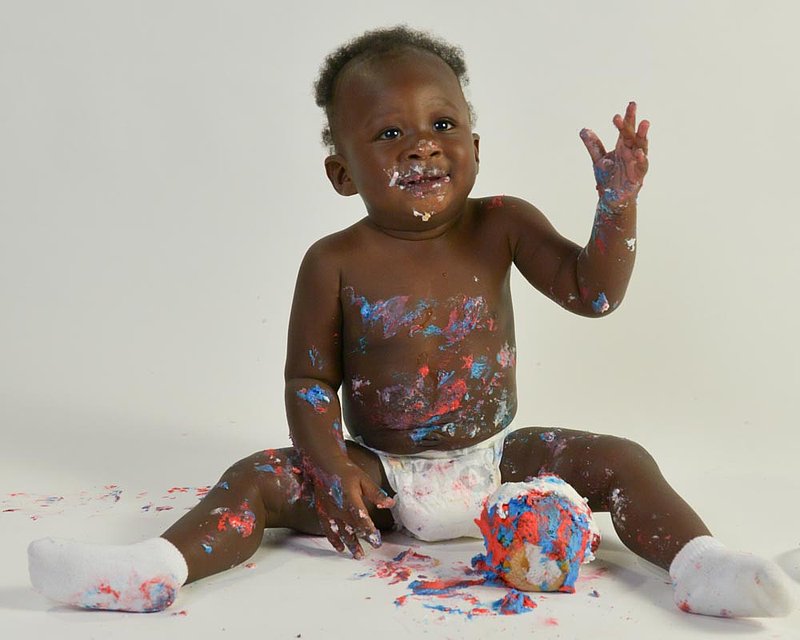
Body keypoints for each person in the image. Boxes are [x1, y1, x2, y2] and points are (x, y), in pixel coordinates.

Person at [28, 25, 793, 618]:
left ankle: (707, 570)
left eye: (442, 123)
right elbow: (308, 381)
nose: (422, 144)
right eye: (389, 134)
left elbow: (594, 294)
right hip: (381, 478)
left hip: (500, 464)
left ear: (476, 145)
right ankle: (152, 570)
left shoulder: (503, 224)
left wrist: (616, 204)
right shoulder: (333, 260)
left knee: (622, 459)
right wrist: (331, 471)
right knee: (256, 478)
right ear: (342, 172)